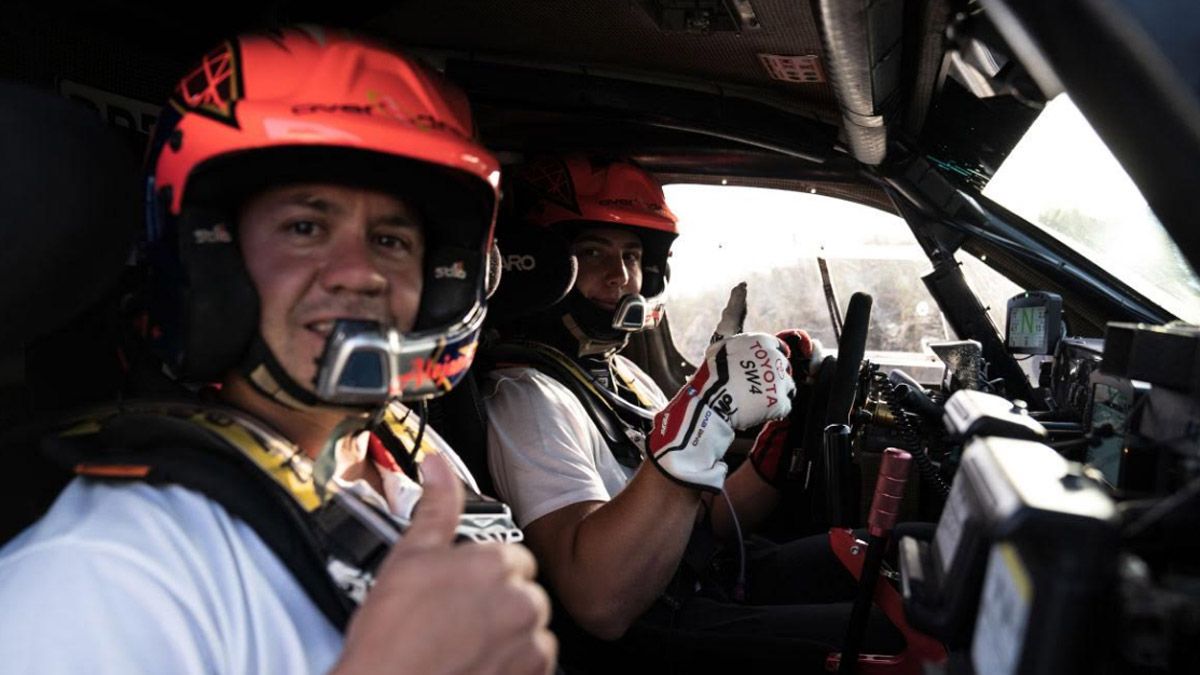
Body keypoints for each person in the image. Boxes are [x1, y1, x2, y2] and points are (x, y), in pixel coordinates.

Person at [0, 27, 554, 675]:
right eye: (305, 227)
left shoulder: (417, 454)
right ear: (211, 260)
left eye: (391, 241)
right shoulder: (110, 567)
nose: (360, 273)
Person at [483, 154, 903, 665]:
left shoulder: (627, 377)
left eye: (632, 256)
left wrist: (777, 446)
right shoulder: (526, 398)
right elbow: (599, 605)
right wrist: (702, 413)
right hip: (650, 624)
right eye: (593, 252)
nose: (621, 277)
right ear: (539, 267)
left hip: (701, 576)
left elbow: (706, 519)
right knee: (896, 635)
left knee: (909, 553)